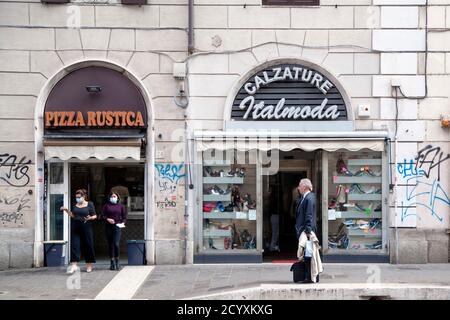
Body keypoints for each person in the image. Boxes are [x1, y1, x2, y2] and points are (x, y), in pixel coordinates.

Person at [61, 189, 97, 274]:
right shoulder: (75, 204)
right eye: (76, 197)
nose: (77, 199)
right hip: (76, 227)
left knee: (88, 245)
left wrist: (90, 218)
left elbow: (95, 215)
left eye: (79, 197)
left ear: (83, 196)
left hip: (86, 227)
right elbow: (73, 215)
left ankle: (89, 265)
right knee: (75, 245)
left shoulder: (89, 204)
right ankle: (74, 265)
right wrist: (66, 210)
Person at [101, 191, 127, 271]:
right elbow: (102, 215)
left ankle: (117, 261)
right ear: (109, 198)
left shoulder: (121, 206)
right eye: (112, 196)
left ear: (118, 198)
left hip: (117, 226)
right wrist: (107, 219)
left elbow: (124, 217)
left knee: (116, 243)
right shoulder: (106, 206)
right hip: (108, 226)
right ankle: (112, 262)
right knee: (110, 244)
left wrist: (123, 222)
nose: (113, 198)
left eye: (114, 196)